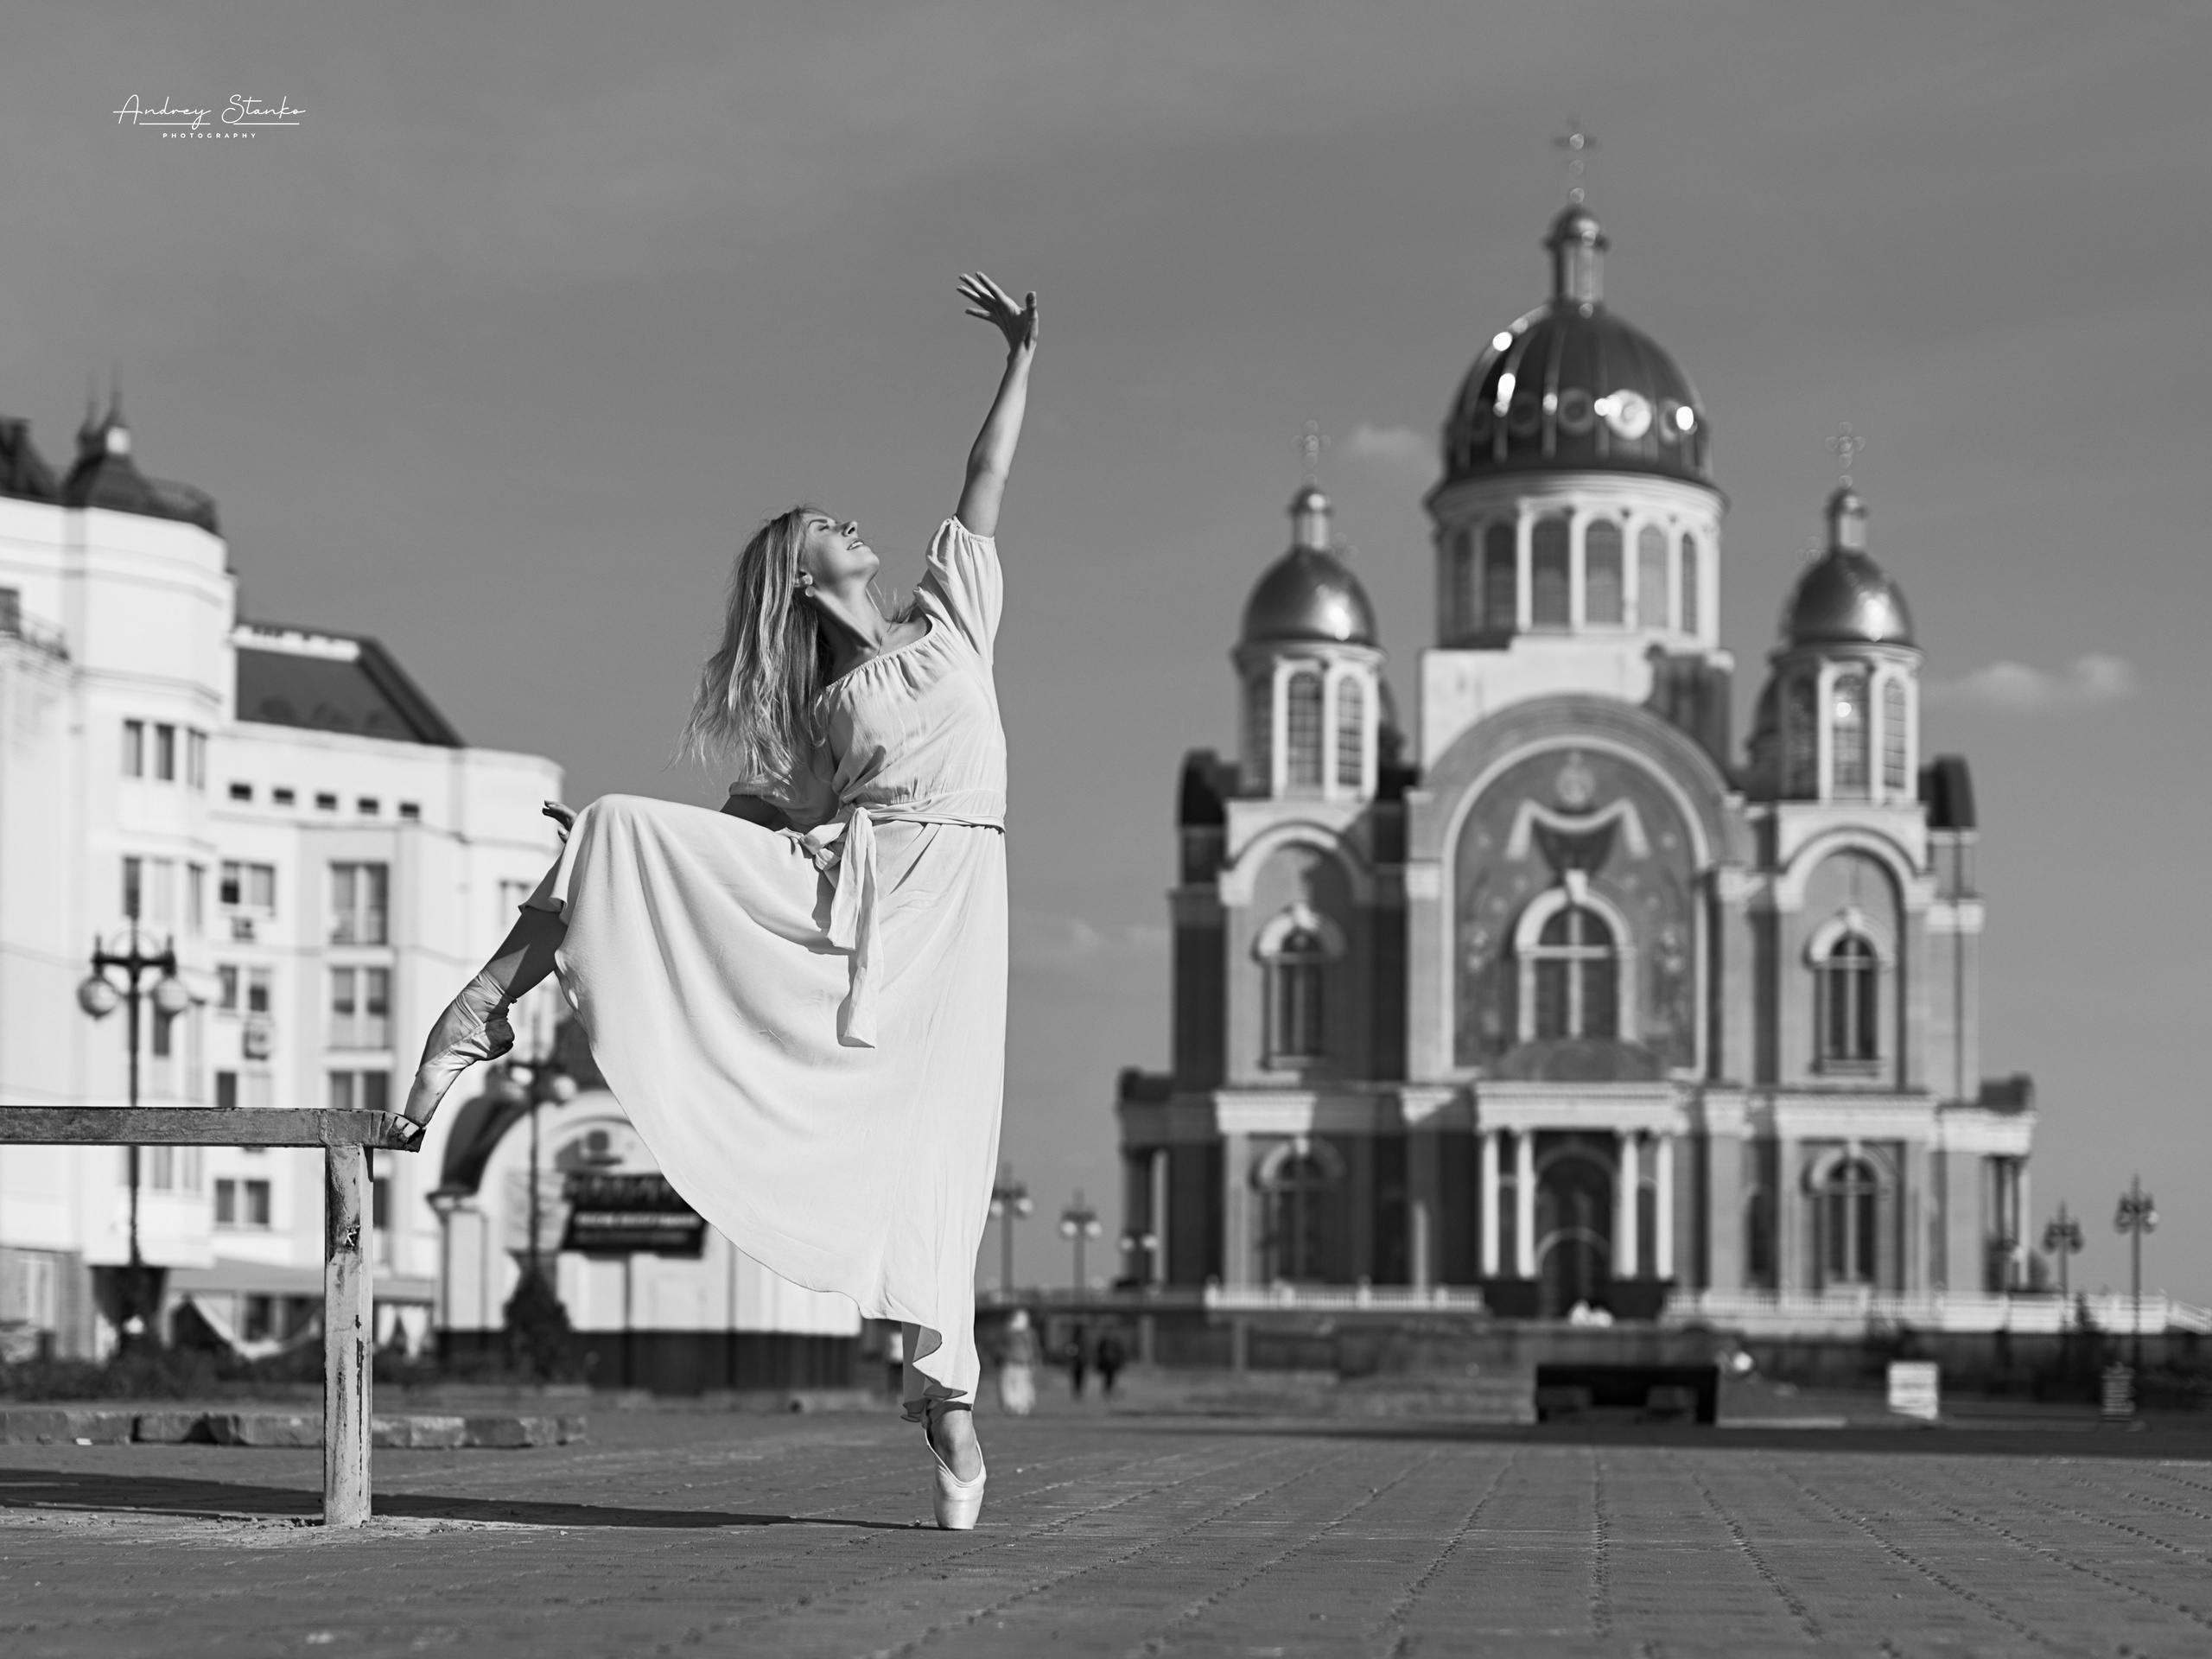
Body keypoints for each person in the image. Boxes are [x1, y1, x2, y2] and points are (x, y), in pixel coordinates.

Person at [397, 271, 1039, 1532]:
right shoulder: (825, 712)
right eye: (829, 530)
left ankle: (942, 1404)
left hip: (958, 911)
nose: (856, 529)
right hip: (861, 888)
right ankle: (481, 1005)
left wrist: (1021, 358)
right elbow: (762, 827)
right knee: (628, 831)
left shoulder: (953, 618)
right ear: (800, 579)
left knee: (938, 1164)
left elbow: (986, 481)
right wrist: (617, 867)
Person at [995, 1308, 1037, 1418]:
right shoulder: (1009, 1332)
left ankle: (1020, 1407)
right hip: (1012, 1363)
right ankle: (1014, 1406)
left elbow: (1032, 1348)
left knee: (1021, 1386)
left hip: (1021, 1364)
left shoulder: (1026, 1333)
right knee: (1012, 1386)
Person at [1093, 1325, 1127, 1399]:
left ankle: (1109, 1390)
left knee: (1111, 1377)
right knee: (1108, 1377)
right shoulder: (1105, 1341)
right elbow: (1099, 1351)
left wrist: (1119, 1360)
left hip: (1112, 1363)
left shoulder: (1115, 1341)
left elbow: (1120, 1352)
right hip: (1107, 1363)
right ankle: (1107, 1391)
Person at [1065, 1321, 1090, 1400]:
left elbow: (1070, 1351)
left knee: (1077, 1377)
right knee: (1079, 1377)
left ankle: (1077, 1391)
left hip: (1077, 1361)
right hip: (1080, 1362)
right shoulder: (1083, 1339)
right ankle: (1078, 1391)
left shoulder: (1074, 1339)